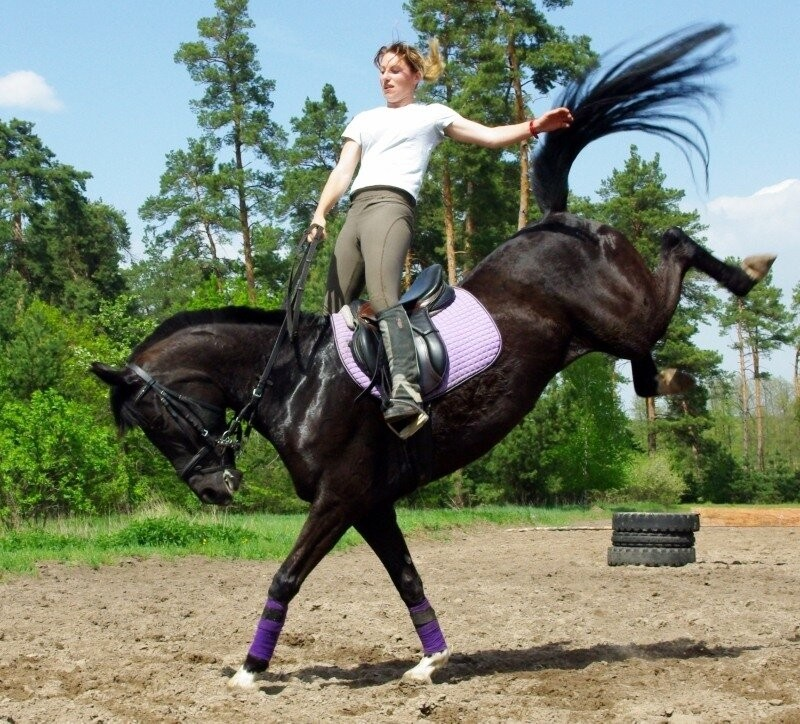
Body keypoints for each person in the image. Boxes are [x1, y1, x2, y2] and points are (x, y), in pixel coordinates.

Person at [309, 40, 573, 439]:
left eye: (395, 70)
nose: (386, 77)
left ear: (415, 76)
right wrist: (320, 213)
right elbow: (343, 172)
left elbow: (487, 136)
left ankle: (405, 391)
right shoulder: (363, 119)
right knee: (331, 309)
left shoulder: (431, 115)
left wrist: (535, 126)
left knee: (382, 296)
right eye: (382, 70)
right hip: (356, 211)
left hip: (391, 207)